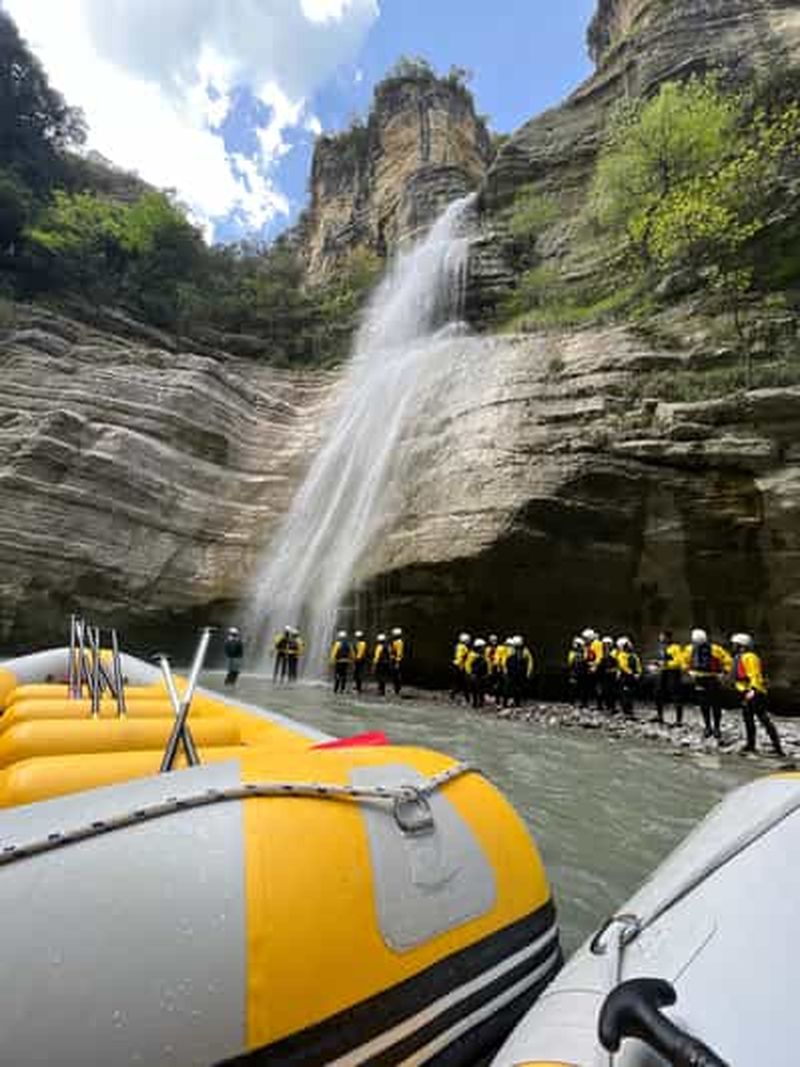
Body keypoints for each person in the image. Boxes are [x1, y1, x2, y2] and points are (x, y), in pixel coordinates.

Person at [730, 633, 785, 757]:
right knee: (748, 719)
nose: (733, 647)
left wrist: (753, 690)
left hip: (754, 693)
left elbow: (755, 675)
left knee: (763, 719)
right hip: (745, 691)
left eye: (735, 645)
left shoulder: (750, 657)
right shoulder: (739, 657)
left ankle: (777, 748)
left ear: (742, 646)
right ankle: (751, 745)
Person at [684, 628, 731, 740]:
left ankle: (711, 727)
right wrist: (724, 672)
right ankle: (712, 728)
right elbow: (728, 660)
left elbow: (684, 661)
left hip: (706, 678)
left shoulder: (691, 649)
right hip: (709, 678)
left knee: (708, 704)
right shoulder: (714, 648)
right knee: (711, 704)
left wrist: (688, 671)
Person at [654, 629, 684, 726]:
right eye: (660, 637)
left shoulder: (676, 648)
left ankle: (679, 720)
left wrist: (666, 663)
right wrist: (657, 663)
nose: (660, 638)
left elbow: (679, 662)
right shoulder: (662, 647)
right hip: (663, 672)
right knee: (658, 693)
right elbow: (661, 659)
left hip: (673, 673)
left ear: (668, 638)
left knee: (676, 694)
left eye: (662, 637)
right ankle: (659, 715)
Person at [615, 636, 642, 717]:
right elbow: (623, 666)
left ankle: (630, 710)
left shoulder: (634, 655)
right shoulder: (621, 655)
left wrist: (638, 673)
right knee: (624, 693)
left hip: (633, 677)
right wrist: (631, 673)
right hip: (625, 677)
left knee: (630, 693)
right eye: (627, 644)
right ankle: (625, 710)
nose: (630, 645)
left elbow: (638, 665)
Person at [504, 636, 533, 707]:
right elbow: (505, 662)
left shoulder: (525, 651)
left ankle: (517, 702)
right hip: (512, 672)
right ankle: (507, 702)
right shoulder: (510, 651)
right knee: (509, 688)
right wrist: (506, 671)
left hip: (520, 672)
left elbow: (529, 662)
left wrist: (528, 673)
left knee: (519, 688)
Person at [596, 636, 619, 713]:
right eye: (605, 644)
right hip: (603, 675)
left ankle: (611, 706)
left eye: (608, 644)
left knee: (611, 691)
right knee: (603, 691)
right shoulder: (601, 654)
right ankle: (602, 706)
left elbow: (617, 664)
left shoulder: (614, 654)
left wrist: (613, 670)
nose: (606, 646)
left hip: (611, 676)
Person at [465, 638, 489, 709]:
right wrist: (470, 673)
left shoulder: (482, 655)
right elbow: (468, 664)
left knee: (482, 689)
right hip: (475, 674)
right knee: (475, 689)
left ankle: (481, 702)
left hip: (482, 674)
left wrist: (487, 673)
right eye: (482, 647)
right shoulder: (472, 655)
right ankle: (475, 703)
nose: (484, 648)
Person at [567, 636, 591, 708]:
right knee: (573, 688)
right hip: (575, 672)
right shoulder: (572, 653)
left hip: (583, 673)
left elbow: (586, 659)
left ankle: (584, 703)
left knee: (584, 689)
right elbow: (570, 663)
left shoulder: (584, 652)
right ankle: (572, 702)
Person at [451, 633, 471, 703]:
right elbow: (460, 657)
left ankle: (454, 694)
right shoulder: (462, 647)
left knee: (459, 682)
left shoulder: (458, 646)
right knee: (463, 682)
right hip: (460, 666)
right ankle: (465, 697)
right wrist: (460, 666)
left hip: (457, 665)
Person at [486, 635, 502, 703]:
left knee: (497, 683)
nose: (493, 642)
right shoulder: (487, 649)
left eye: (495, 640)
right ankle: (491, 695)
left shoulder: (500, 648)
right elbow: (486, 657)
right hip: (489, 667)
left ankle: (497, 698)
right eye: (492, 641)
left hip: (497, 667)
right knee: (490, 682)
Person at [389, 628, 404, 695]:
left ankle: (397, 689)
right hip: (394, 660)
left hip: (397, 660)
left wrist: (397, 662)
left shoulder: (399, 642)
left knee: (397, 675)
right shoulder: (395, 642)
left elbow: (399, 653)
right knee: (394, 675)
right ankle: (395, 688)